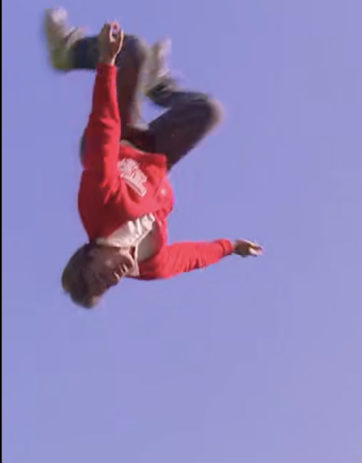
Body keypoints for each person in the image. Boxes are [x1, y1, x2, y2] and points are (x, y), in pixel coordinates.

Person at [43, 9, 263, 309]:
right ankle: (161, 89)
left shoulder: (98, 209)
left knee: (133, 52)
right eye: (106, 287)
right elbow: (190, 258)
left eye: (99, 277)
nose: (111, 280)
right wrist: (231, 246)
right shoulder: (150, 265)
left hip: (114, 139)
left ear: (91, 253)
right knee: (209, 112)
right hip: (154, 158)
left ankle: (68, 52)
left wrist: (107, 62)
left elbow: (102, 136)